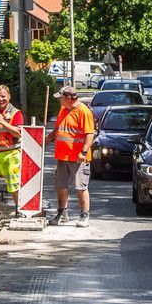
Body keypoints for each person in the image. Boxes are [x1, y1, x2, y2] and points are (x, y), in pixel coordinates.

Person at [46, 85, 95, 226]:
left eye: (61, 98)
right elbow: (58, 129)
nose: (59, 100)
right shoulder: (63, 109)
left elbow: (89, 134)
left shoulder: (84, 111)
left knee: (81, 187)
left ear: (68, 98)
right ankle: (62, 213)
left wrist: (83, 151)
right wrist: (47, 138)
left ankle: (84, 215)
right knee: (61, 186)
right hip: (63, 156)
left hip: (78, 158)